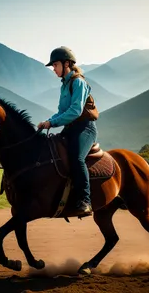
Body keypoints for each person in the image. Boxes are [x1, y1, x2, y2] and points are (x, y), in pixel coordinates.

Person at [37, 46, 98, 217]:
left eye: (55, 65)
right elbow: (61, 112)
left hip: (85, 128)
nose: (54, 69)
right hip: (70, 128)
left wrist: (52, 122)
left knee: (77, 158)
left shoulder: (79, 82)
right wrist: (47, 122)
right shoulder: (64, 85)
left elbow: (75, 111)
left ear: (67, 64)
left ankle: (85, 201)